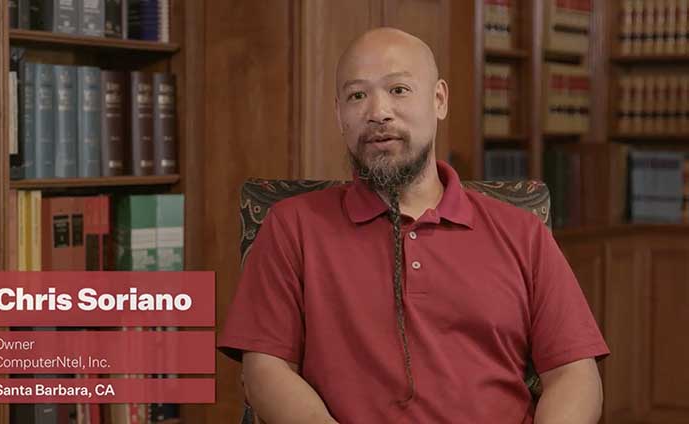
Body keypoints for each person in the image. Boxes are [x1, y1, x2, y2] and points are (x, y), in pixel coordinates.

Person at [218, 27, 610, 423]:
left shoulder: (522, 232)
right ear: (339, 114)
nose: (378, 112)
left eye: (399, 90)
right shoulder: (292, 226)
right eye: (357, 96)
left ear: (439, 100)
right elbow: (265, 369)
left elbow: (574, 374)